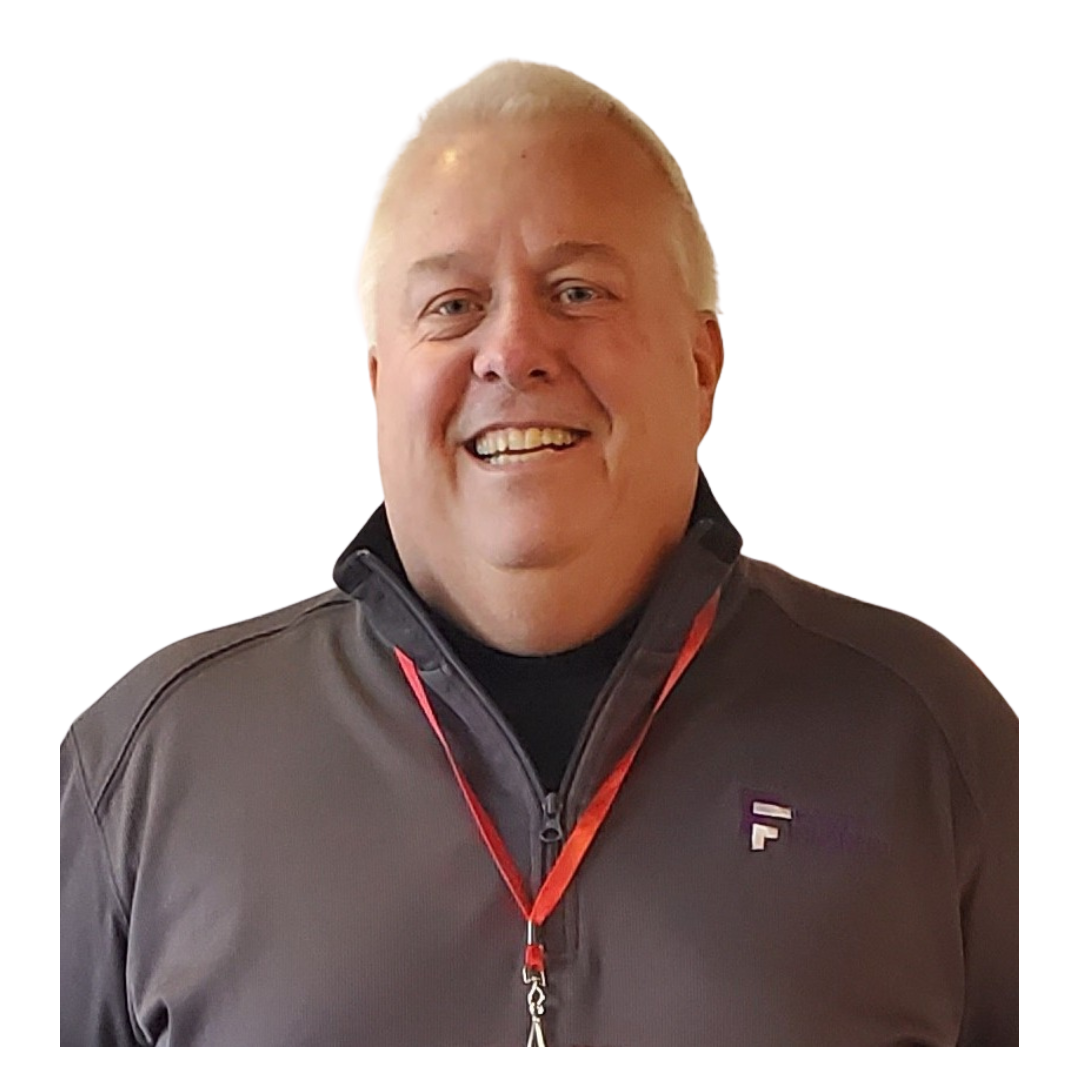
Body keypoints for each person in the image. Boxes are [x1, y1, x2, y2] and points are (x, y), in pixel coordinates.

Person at [59, 61, 1018, 1046]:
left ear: (702, 365)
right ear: (380, 384)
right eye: (451, 305)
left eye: (578, 290)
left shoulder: (937, 743)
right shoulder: (141, 773)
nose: (513, 348)